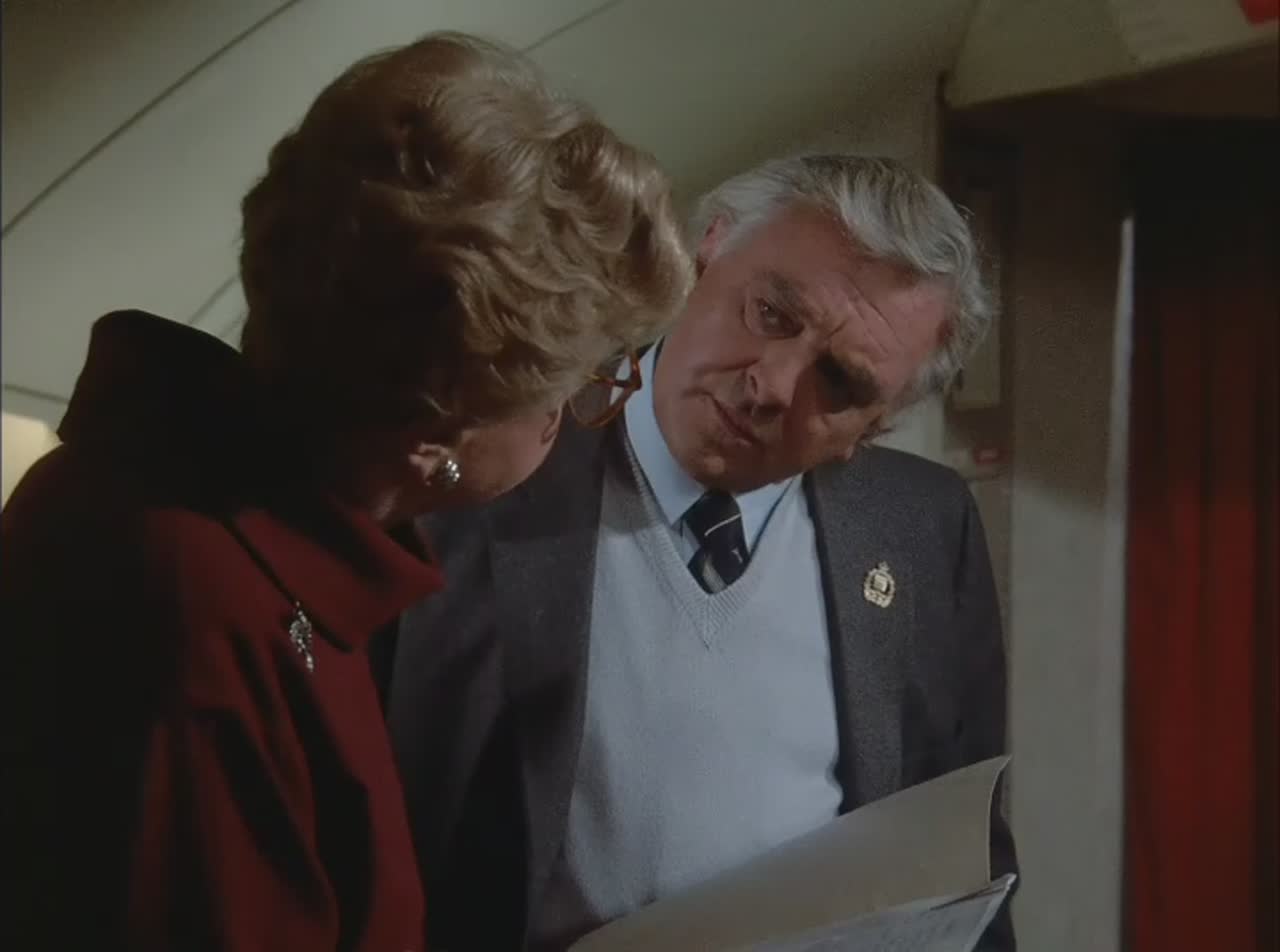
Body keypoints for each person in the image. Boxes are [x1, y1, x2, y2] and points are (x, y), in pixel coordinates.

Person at [0, 32, 690, 952]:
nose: (569, 421)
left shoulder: (191, 511)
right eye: (575, 388)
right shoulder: (195, 608)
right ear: (437, 432)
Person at [384, 153, 1019, 951]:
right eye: (772, 313)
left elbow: (958, 860)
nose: (772, 385)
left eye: (841, 382)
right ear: (706, 249)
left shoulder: (921, 525)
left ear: (875, 427)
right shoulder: (494, 457)